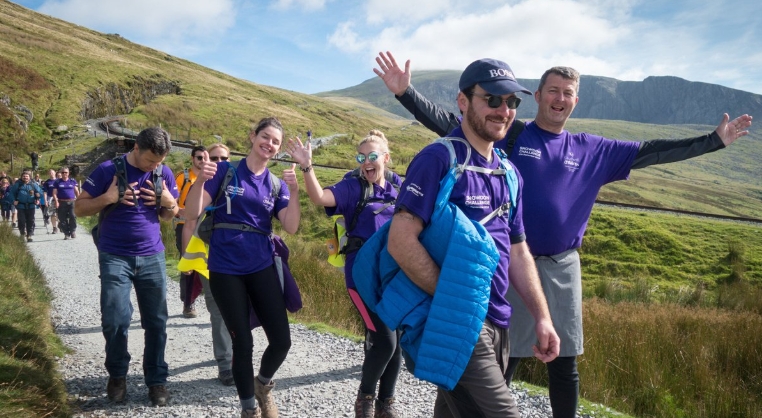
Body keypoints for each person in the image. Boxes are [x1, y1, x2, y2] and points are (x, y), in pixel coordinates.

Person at [374, 51, 753, 418]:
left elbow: (653, 151)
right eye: (552, 90)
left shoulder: (591, 149)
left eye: (567, 93)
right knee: (499, 370)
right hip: (498, 271)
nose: (559, 99)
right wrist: (406, 93)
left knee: (560, 360)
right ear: (537, 96)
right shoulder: (509, 135)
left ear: (576, 101)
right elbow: (452, 123)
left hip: (553, 266)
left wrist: (713, 140)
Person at [381, 58, 560, 417]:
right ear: (463, 102)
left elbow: (518, 250)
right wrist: (452, 297)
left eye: (512, 102)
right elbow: (400, 240)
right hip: (459, 322)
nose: (503, 110)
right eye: (492, 99)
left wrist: (542, 317)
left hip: (499, 320)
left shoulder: (510, 174)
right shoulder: (438, 159)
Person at [183, 117, 301, 418]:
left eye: (275, 141)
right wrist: (199, 181)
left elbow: (291, 225)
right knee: (243, 342)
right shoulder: (225, 170)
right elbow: (193, 212)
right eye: (265, 137)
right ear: (252, 137)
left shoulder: (275, 184)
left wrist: (296, 192)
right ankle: (249, 408)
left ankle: (262, 385)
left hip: (261, 265)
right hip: (225, 268)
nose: (270, 144)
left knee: (282, 341)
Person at [287, 129, 404, 418]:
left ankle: (385, 405)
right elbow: (320, 198)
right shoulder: (353, 187)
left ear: (385, 158)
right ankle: (364, 397)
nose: (366, 162)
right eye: (361, 157)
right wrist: (307, 166)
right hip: (361, 277)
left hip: (394, 276)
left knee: (397, 343)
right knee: (385, 340)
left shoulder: (397, 186)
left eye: (373, 156)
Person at [74, 127, 179, 407]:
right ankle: (117, 376)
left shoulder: (163, 174)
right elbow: (79, 209)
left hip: (153, 256)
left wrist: (169, 204)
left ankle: (156, 381)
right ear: (135, 147)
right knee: (116, 319)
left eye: (159, 162)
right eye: (149, 161)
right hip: (114, 256)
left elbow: (169, 216)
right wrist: (109, 198)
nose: (154, 167)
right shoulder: (107, 170)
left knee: (157, 322)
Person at [177, 143, 235, 386]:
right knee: (219, 313)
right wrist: (187, 260)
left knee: (238, 312)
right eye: (214, 157)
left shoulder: (237, 185)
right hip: (208, 264)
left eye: (224, 157)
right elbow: (190, 222)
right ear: (204, 159)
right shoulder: (198, 186)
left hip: (237, 262)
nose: (219, 161)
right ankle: (226, 365)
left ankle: (234, 354)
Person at [176, 145, 206, 318]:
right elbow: (172, 201)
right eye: (199, 157)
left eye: (204, 157)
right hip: (184, 225)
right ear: (192, 159)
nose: (202, 161)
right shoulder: (183, 177)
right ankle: (188, 304)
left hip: (206, 226)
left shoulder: (211, 177)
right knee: (188, 264)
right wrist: (184, 212)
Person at [10, 169, 43, 242]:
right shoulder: (18, 185)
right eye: (24, 176)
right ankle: (22, 233)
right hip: (21, 206)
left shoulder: (33, 185)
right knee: (21, 221)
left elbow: (40, 192)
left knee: (30, 221)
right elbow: (11, 193)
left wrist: (38, 197)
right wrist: (14, 201)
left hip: (31, 206)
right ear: (21, 177)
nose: (25, 177)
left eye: (27, 176)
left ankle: (29, 235)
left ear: (30, 177)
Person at [53, 166, 80, 240]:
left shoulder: (72, 180)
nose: (64, 174)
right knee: (62, 218)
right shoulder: (57, 182)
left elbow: (76, 191)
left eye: (66, 172)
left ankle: (72, 231)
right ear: (61, 173)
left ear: (68, 173)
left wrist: (79, 200)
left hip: (71, 201)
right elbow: (54, 193)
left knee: (73, 216)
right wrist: (56, 201)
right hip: (61, 202)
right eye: (63, 172)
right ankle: (66, 233)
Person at [42, 169, 59, 233]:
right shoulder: (47, 182)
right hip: (51, 199)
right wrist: (45, 200)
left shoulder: (59, 181)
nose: (51, 174)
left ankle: (60, 224)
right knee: (52, 213)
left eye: (52, 172)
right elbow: (45, 192)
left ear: (55, 173)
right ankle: (54, 227)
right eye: (49, 173)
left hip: (59, 198)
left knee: (59, 214)